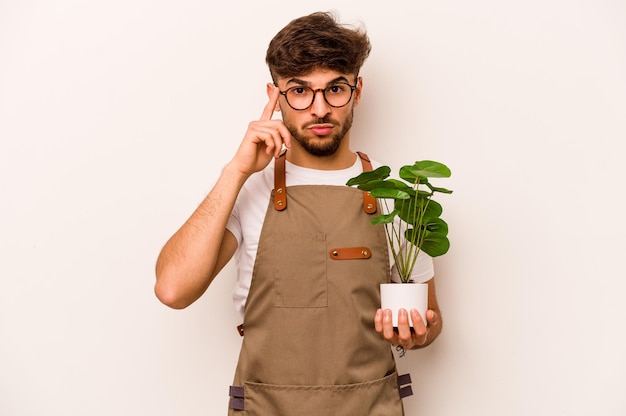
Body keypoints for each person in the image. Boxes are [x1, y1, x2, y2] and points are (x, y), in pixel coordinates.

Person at [155, 11, 442, 415]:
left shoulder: (396, 195)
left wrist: (419, 333)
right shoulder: (250, 189)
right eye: (300, 91)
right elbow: (172, 289)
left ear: (357, 91)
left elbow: (432, 322)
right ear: (276, 96)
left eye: (335, 89)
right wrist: (235, 171)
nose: (319, 109)